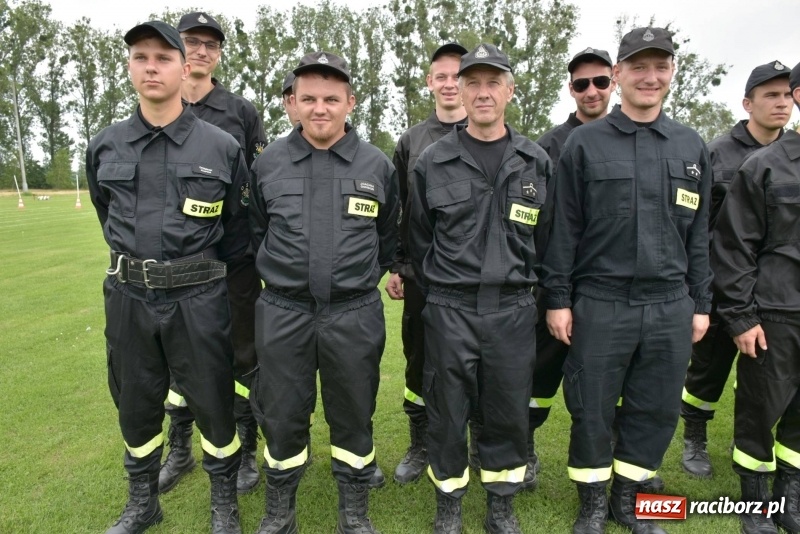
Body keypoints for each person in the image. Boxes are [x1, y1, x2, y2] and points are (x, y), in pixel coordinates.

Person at [541, 27, 712, 534]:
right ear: (619, 76)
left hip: (670, 303)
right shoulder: (583, 143)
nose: (649, 77)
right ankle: (593, 502)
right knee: (591, 407)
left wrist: (701, 303)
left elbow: (700, 234)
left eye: (660, 67)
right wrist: (557, 298)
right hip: (601, 301)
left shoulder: (691, 145)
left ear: (671, 74)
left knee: (655, 408)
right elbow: (563, 228)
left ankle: (631, 498)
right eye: (638, 67)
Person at [86, 21, 248, 534]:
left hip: (198, 299)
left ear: (185, 67)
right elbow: (103, 210)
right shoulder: (106, 145)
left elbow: (238, 232)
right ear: (131, 67)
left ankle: (224, 503)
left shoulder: (221, 147)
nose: (151, 66)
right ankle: (142, 501)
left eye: (162, 57)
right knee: (135, 401)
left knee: (214, 404)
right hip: (129, 297)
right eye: (140, 57)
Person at [248, 51, 399, 534]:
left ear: (350, 102)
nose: (320, 108)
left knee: (354, 413)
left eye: (331, 99)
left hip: (353, 314)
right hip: (283, 312)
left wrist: (350, 283)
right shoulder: (267, 163)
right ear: (292, 103)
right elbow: (254, 234)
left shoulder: (376, 165)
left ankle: (353, 511)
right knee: (282, 414)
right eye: (308, 98)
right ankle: (280, 511)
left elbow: (388, 240)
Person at [408, 43, 551, 534]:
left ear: (510, 91)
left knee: (508, 410)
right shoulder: (432, 161)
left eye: (494, 83)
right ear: (460, 91)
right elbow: (419, 238)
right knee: (446, 410)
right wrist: (448, 292)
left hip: (513, 310)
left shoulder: (535, 161)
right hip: (450, 307)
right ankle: (448, 502)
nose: (483, 92)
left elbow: (547, 241)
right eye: (473, 83)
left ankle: (500, 503)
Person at [158, 10, 268, 497]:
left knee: (243, 356)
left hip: (233, 262)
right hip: (176, 265)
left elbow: (258, 188)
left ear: (218, 53)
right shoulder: (157, 103)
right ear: (178, 51)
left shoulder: (241, 112)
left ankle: (245, 448)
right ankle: (180, 447)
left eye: (210, 44)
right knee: (176, 360)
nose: (201, 50)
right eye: (192, 42)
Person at [680, 60, 793, 479]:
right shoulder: (716, 153)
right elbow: (696, 227)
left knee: (763, 381)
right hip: (720, 287)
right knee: (707, 371)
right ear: (748, 103)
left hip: (772, 296)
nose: (781, 103)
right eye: (770, 95)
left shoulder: (791, 158)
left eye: (786, 94)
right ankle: (694, 436)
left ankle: (753, 445)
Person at [710, 61, 800, 534]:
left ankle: (790, 498)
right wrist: (742, 316)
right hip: (777, 311)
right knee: (760, 410)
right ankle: (756, 505)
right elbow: (733, 245)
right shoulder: (763, 165)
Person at [384, 41, 468, 486]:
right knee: (419, 359)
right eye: (442, 75)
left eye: (459, 75)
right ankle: (420, 444)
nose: (450, 83)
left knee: (473, 363)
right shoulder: (411, 140)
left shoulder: (487, 132)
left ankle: (466, 442)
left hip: (473, 277)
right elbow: (398, 207)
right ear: (430, 82)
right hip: (422, 274)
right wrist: (397, 266)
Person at [530, 46, 616, 480]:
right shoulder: (548, 146)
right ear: (571, 90)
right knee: (539, 377)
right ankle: (522, 447)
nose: (592, 90)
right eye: (581, 83)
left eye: (600, 81)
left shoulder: (634, 139)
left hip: (612, 288)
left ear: (614, 81)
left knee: (606, 382)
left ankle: (613, 459)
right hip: (554, 283)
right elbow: (538, 222)